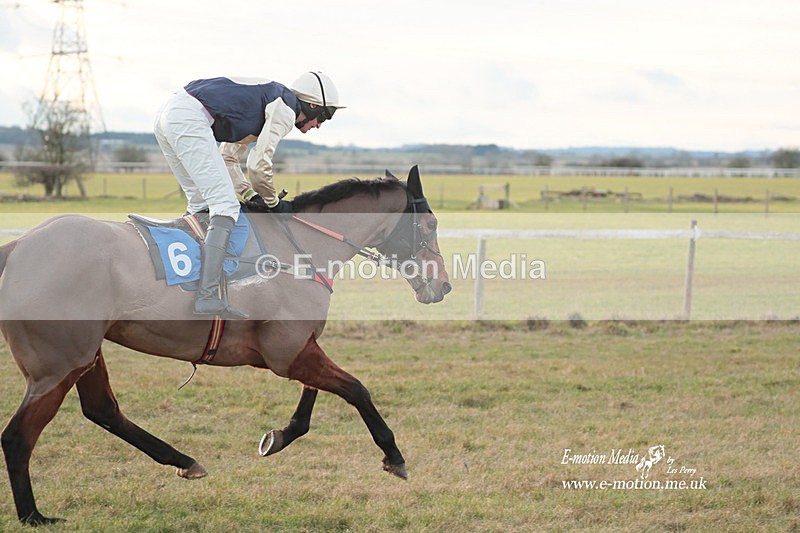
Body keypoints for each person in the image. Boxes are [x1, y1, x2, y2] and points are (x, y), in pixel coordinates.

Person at [153, 72, 344, 319]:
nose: (319, 125)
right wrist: (274, 202)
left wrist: (250, 193)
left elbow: (228, 157)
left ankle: (187, 281)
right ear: (312, 105)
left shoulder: (266, 102)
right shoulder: (285, 109)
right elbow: (258, 165)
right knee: (225, 206)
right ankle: (207, 295)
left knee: (201, 204)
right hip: (188, 117)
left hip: (168, 114)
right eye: (325, 117)